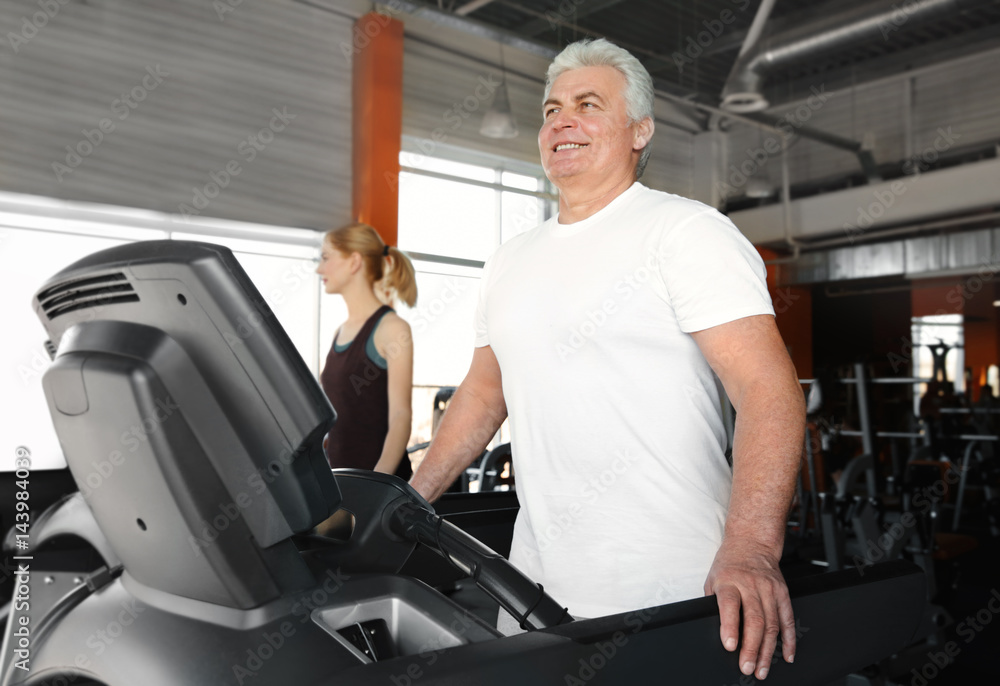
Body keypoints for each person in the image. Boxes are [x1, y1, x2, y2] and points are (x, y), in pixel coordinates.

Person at [409, 38, 805, 681]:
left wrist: (753, 548)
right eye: (551, 109)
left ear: (639, 131)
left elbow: (769, 393)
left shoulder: (686, 232)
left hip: (673, 581)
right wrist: (407, 499)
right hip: (533, 587)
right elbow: (483, 395)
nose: (561, 121)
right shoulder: (509, 259)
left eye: (588, 104)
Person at [316, 222, 417, 481]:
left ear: (354, 262)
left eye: (326, 257)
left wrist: (376, 485)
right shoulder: (340, 331)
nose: (319, 268)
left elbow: (400, 416)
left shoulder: (393, 329)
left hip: (379, 489)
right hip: (343, 483)